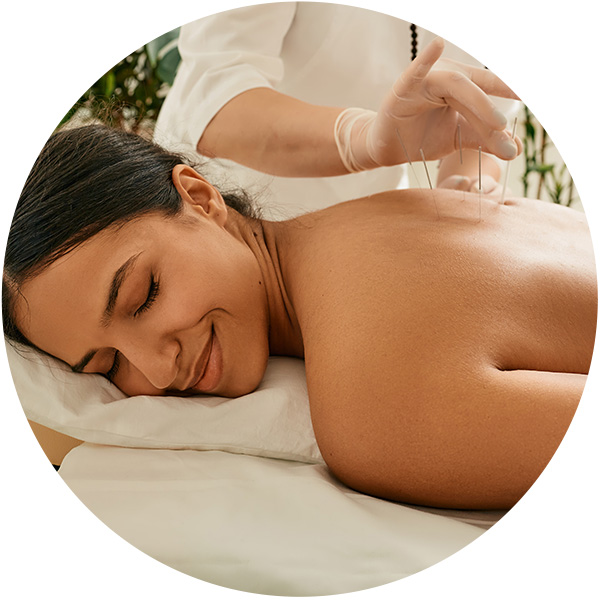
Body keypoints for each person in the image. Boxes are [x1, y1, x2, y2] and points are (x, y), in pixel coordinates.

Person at [4, 125, 595, 511]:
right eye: (108, 365)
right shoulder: (367, 222)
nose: (158, 372)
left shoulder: (372, 404)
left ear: (201, 199)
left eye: (143, 296)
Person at [155, 4, 521, 216]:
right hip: (222, 204)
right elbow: (215, 102)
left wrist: (466, 185)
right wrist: (361, 139)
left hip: (358, 222)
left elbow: (474, 125)